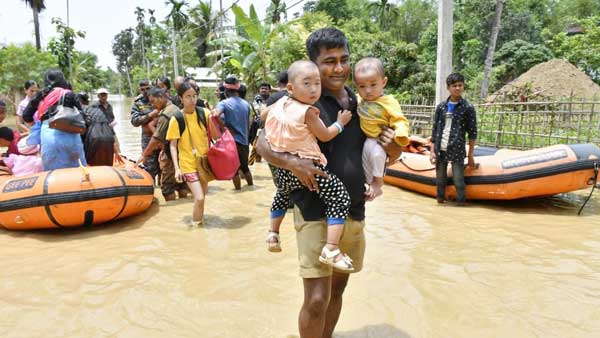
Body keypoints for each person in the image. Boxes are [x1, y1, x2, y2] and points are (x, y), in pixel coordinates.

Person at [257, 27, 402, 338]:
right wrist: (292, 163)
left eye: (343, 60)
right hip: (312, 209)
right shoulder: (297, 99)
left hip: (353, 209)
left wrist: (393, 145)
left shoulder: (364, 101)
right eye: (329, 61)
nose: (338, 68)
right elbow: (261, 146)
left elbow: (389, 151)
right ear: (313, 64)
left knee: (337, 290)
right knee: (317, 297)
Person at [264, 60, 354, 270]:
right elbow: (324, 135)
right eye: (307, 83)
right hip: (309, 168)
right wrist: (340, 123)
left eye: (317, 83)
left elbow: (262, 115)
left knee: (282, 194)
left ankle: (273, 234)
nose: (313, 89)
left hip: (285, 170)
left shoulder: (278, 104)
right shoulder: (309, 112)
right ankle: (331, 249)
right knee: (340, 197)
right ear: (290, 87)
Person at [354, 57, 410, 200]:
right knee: (365, 158)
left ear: (383, 82)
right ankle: (370, 185)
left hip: (380, 139)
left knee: (378, 155)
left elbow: (399, 119)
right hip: (367, 139)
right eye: (362, 86)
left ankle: (378, 183)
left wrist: (401, 135)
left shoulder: (388, 102)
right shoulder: (358, 100)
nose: (368, 91)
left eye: (373, 85)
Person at [166, 82, 212, 225]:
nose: (192, 100)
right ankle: (195, 227)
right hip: (188, 164)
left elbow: (215, 136)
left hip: (204, 162)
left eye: (194, 96)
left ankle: (199, 222)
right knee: (199, 197)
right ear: (180, 98)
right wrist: (177, 168)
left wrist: (215, 117)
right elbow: (173, 146)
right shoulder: (176, 119)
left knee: (202, 197)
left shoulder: (205, 113)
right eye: (187, 97)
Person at [22, 68, 87, 171]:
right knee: (78, 171)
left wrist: (38, 126)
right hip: (71, 136)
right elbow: (83, 117)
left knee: (51, 173)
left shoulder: (40, 95)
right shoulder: (70, 94)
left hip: (48, 135)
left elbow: (26, 116)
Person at [430, 72, 477, 205]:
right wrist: (432, 150)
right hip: (440, 147)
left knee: (458, 180)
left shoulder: (468, 108)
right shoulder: (441, 107)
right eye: (454, 85)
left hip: (457, 148)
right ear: (448, 88)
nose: (457, 88)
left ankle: (461, 204)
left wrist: (471, 154)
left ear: (463, 86)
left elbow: (472, 132)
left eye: (460, 85)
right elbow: (435, 129)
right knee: (440, 180)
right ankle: (440, 201)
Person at [138, 87, 189, 201]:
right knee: (181, 184)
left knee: (167, 188)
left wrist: (144, 155)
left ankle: (172, 213)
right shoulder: (177, 109)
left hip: (171, 156)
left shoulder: (166, 114)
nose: (152, 105)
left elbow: (156, 137)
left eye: (153, 101)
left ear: (161, 97)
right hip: (181, 154)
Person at [214, 75, 253, 190]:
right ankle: (251, 187)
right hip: (244, 141)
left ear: (225, 90)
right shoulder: (246, 104)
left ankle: (238, 191)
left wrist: (223, 127)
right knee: (245, 168)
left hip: (232, 142)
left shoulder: (224, 103)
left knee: (234, 170)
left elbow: (215, 115)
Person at [131, 79, 160, 181]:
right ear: (139, 90)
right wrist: (149, 115)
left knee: (163, 168)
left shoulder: (159, 98)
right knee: (149, 169)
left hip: (161, 137)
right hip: (147, 138)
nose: (145, 91)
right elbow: (134, 121)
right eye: (142, 89)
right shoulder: (138, 103)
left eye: (148, 88)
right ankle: (153, 193)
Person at [82, 88, 120, 166]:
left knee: (116, 146)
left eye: (105, 95)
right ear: (98, 96)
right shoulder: (93, 106)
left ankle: (117, 158)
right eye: (102, 95)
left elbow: (111, 118)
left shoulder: (109, 106)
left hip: (109, 129)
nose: (104, 97)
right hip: (97, 130)